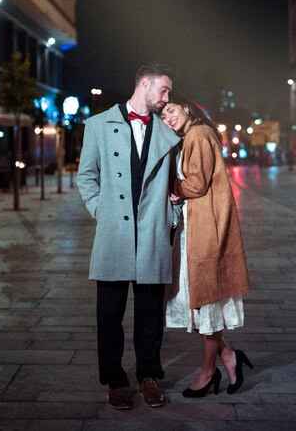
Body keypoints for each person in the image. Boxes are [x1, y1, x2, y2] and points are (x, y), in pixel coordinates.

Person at [77, 63, 180, 411]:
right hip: (114, 234)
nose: (167, 98)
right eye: (164, 90)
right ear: (145, 84)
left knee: (151, 315)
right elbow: (86, 177)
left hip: (152, 232)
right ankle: (115, 380)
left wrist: (172, 216)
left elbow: (178, 182)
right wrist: (100, 211)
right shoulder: (98, 125)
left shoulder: (168, 131)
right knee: (109, 315)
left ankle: (149, 377)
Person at [160, 92, 251, 398]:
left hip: (205, 233)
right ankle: (229, 357)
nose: (168, 118)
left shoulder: (197, 134)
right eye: (162, 116)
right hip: (197, 229)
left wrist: (173, 188)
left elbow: (196, 184)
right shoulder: (193, 135)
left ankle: (207, 371)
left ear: (186, 108)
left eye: (171, 110)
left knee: (203, 303)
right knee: (198, 304)